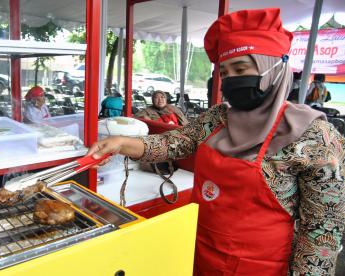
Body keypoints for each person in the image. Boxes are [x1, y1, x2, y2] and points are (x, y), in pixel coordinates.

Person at [87, 8, 345, 275]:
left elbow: (322, 229)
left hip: (262, 267)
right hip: (202, 253)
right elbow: (176, 143)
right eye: (226, 71)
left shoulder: (314, 137)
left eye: (241, 68)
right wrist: (120, 143)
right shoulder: (218, 119)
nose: (232, 79)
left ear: (273, 67)